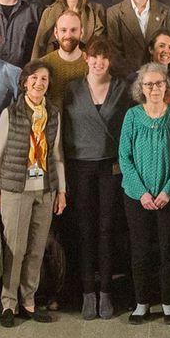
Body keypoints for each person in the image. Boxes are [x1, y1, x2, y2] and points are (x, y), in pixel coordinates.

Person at [0, 61, 68, 325]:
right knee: (15, 248)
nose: (39, 83)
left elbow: (57, 154)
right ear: (24, 82)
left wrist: (61, 191)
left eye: (44, 79)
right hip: (15, 189)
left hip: (44, 190)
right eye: (34, 78)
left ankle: (29, 300)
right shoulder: (10, 114)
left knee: (36, 248)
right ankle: (8, 304)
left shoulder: (54, 114)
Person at [63, 37, 128, 320]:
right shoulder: (72, 89)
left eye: (104, 57)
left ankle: (106, 291)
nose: (99, 62)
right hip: (80, 166)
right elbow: (63, 131)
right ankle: (88, 291)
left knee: (107, 228)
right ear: (86, 59)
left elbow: (129, 130)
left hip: (111, 167)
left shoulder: (123, 89)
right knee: (84, 228)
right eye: (94, 57)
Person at [119, 63, 170, 324]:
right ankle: (142, 303)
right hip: (138, 197)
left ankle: (168, 303)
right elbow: (124, 158)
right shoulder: (133, 116)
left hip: (168, 197)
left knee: (168, 251)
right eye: (149, 84)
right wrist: (142, 193)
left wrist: (168, 190)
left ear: (167, 87)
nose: (155, 88)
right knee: (140, 251)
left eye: (159, 83)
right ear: (141, 88)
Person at [106, 0, 170, 78]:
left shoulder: (164, 11)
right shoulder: (114, 13)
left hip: (157, 79)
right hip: (126, 79)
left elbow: (167, 49)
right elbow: (114, 53)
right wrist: (134, 76)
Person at [33, 0, 107, 62]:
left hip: (86, 68)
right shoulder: (48, 13)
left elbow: (100, 48)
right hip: (53, 69)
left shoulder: (96, 11)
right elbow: (38, 48)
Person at [41, 11, 89, 105]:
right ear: (56, 33)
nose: (68, 35)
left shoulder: (92, 65)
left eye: (73, 30)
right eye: (63, 30)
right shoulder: (43, 64)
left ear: (81, 32)